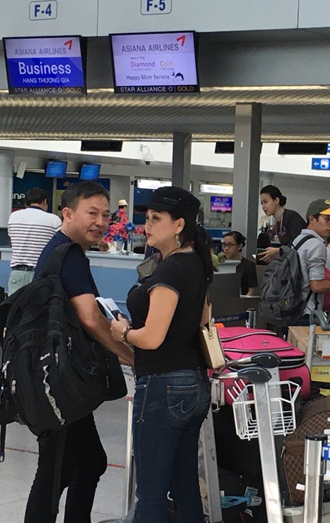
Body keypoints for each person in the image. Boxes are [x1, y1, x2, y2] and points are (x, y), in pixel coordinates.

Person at [26, 181, 133, 523]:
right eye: (92, 213)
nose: (100, 222)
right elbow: (89, 319)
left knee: (88, 461)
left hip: (55, 374)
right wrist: (131, 357)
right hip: (58, 378)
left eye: (106, 215)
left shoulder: (63, 250)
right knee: (55, 469)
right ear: (68, 213)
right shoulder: (68, 254)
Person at [110, 186, 213, 523]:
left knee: (152, 493)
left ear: (179, 224)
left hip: (163, 383)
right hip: (193, 383)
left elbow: (152, 338)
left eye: (156, 219)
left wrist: (123, 332)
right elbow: (204, 320)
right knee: (185, 486)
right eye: (147, 218)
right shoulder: (196, 263)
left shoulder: (170, 270)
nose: (147, 226)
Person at [7, 187, 61, 295]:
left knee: (15, 305)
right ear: (44, 201)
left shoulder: (13, 217)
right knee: (39, 305)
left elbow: (11, 240)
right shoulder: (54, 220)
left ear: (26, 203)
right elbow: (61, 246)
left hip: (17, 274)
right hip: (41, 275)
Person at [257, 185, 305, 263]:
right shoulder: (278, 222)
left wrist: (278, 250)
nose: (263, 206)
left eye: (265, 202)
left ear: (276, 200)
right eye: (261, 203)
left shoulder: (291, 216)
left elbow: (299, 243)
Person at [222, 231, 258, 296]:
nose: (226, 248)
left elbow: (251, 291)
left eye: (230, 245)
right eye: (224, 245)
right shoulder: (220, 263)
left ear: (239, 246)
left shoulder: (248, 265)